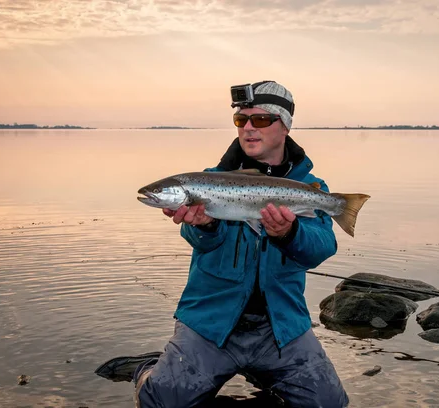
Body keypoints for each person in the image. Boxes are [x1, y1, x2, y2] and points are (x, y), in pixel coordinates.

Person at [125, 81, 348, 407]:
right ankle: (150, 369)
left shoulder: (310, 189)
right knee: (161, 401)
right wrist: (207, 226)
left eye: (259, 120)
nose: (248, 128)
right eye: (240, 120)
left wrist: (288, 234)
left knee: (330, 404)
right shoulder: (208, 180)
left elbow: (322, 248)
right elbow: (197, 241)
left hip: (280, 328)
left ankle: (265, 374)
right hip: (210, 324)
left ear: (284, 125)